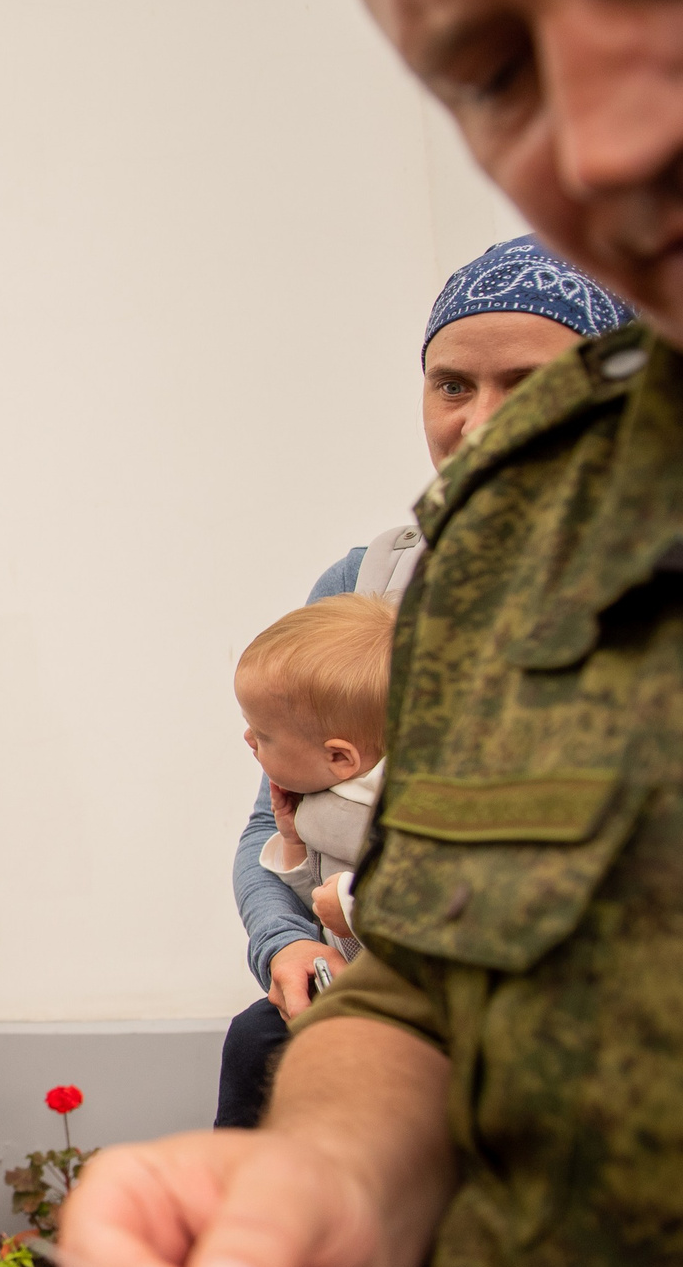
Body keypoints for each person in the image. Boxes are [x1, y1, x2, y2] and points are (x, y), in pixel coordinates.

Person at [63, 0, 683, 1267]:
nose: (608, 132)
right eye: (491, 68)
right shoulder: (508, 541)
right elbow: (417, 962)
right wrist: (329, 1176)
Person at [214, 233, 633, 1128]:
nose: (479, 420)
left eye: (529, 383)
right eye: (453, 385)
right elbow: (273, 817)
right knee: (262, 1047)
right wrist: (287, 944)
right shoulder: (365, 588)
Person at [236, 596, 397, 964]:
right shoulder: (330, 790)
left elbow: (436, 894)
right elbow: (321, 898)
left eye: (263, 734)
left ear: (339, 757)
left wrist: (354, 903)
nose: (248, 739)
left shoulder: (404, 805)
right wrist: (294, 843)